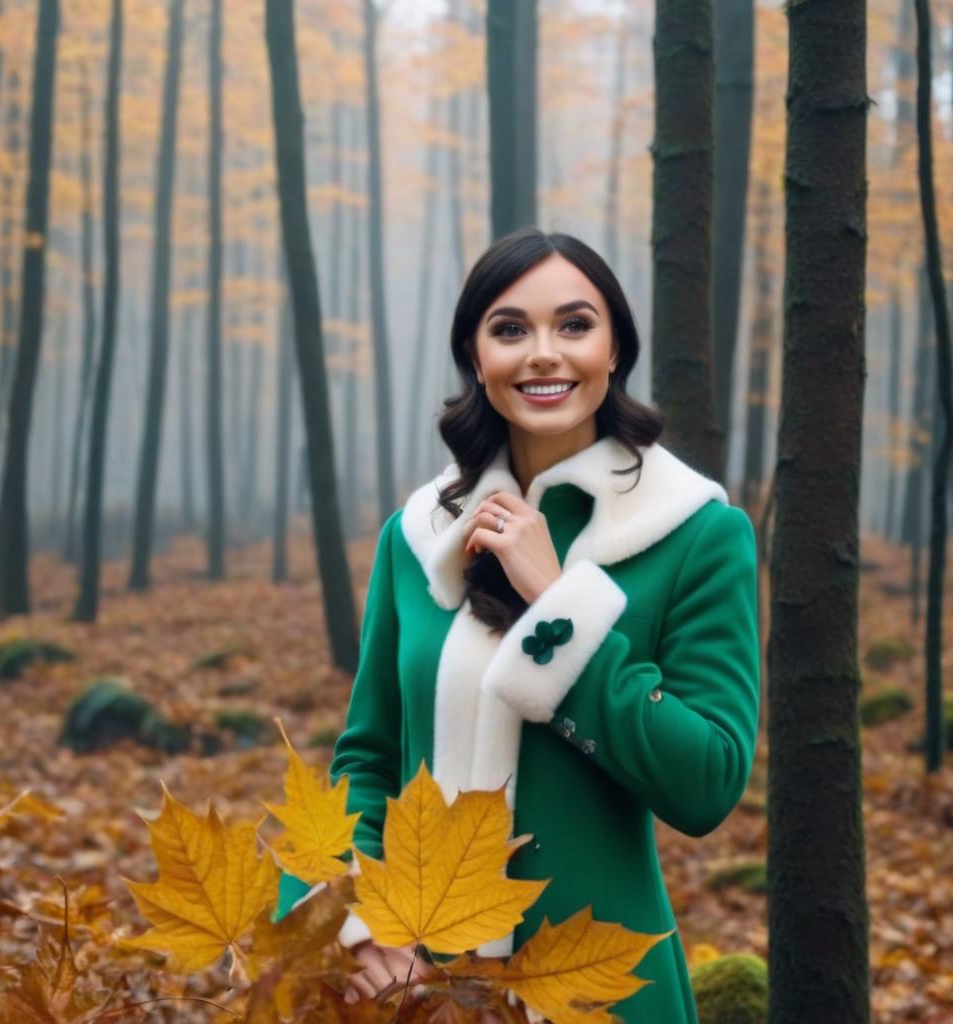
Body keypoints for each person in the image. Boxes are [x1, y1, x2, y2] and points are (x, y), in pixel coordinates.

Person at [273, 226, 761, 1023]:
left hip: (602, 984)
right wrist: (360, 930)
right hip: (413, 986)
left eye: (574, 325)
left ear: (614, 349)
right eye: (510, 329)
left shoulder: (696, 531)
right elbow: (367, 758)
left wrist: (560, 604)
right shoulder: (418, 534)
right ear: (476, 356)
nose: (543, 353)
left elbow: (706, 784)